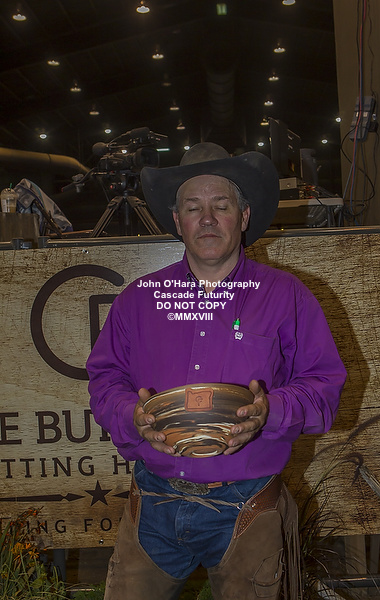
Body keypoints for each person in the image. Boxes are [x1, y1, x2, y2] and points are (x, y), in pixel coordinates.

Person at [86, 142, 347, 600]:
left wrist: (271, 411)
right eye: (193, 207)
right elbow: (105, 380)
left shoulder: (287, 296)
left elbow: (323, 386)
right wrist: (131, 415)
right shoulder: (137, 300)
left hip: (249, 505)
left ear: (243, 217)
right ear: (178, 220)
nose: (207, 218)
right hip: (153, 503)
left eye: (221, 205)